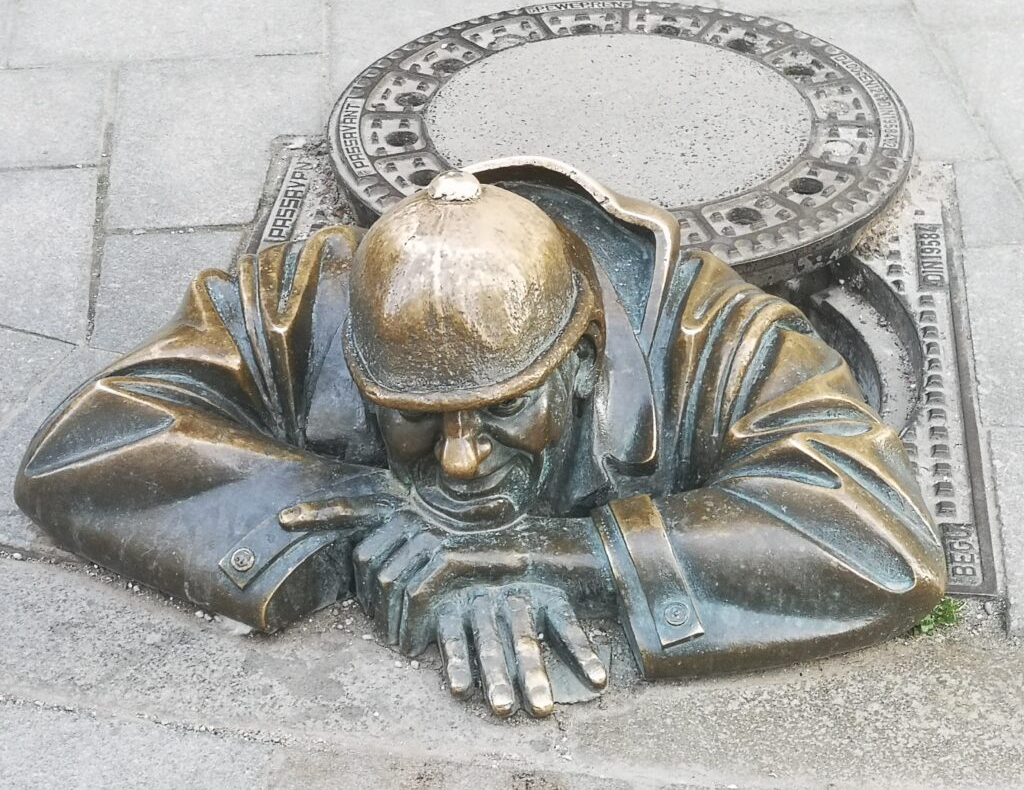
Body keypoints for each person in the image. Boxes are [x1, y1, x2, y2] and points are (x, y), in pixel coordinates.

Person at [15, 160, 945, 718]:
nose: (459, 458)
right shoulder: (307, 301)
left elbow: (880, 536)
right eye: (414, 417)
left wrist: (565, 556)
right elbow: (87, 444)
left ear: (583, 358)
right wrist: (352, 519)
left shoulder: (723, 340)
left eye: (504, 408)